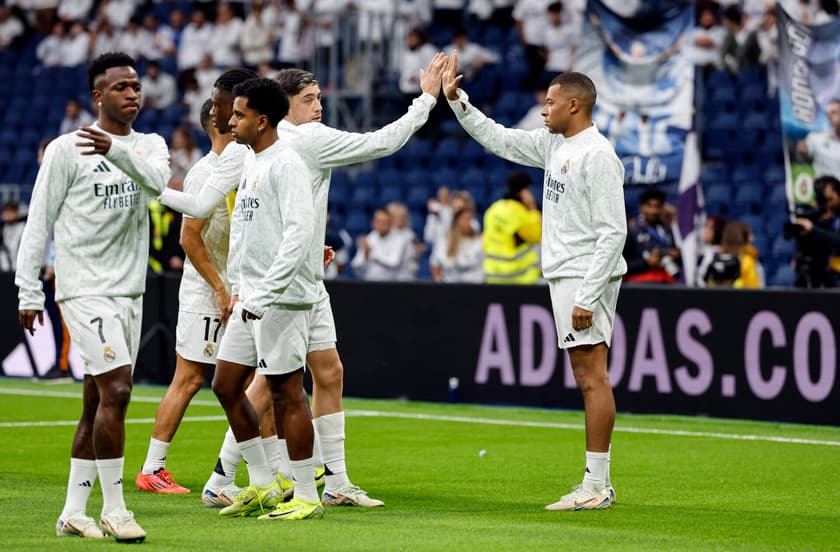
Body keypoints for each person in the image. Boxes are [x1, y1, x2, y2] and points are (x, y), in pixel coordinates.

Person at [159, 57, 445, 508]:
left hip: (300, 277)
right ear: (282, 108)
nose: (318, 108)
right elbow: (382, 142)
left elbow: (261, 215)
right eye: (309, 100)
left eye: (319, 99)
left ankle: (332, 483)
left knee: (326, 373)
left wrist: (311, 247)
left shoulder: (255, 149)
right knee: (273, 384)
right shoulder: (303, 141)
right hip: (281, 287)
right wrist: (425, 100)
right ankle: (233, 476)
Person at [443, 53, 626, 510]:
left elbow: (613, 232)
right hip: (567, 273)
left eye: (550, 103)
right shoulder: (554, 146)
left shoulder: (598, 155)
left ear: (574, 106)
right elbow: (499, 139)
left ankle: (596, 486)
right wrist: (459, 101)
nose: (543, 111)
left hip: (585, 275)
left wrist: (587, 295)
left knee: (592, 377)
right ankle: (598, 484)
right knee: (586, 376)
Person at [15, 52, 171, 542]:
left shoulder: (150, 145)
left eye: (136, 86)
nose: (132, 93)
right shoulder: (66, 150)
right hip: (83, 288)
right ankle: (116, 509)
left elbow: (158, 185)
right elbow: (38, 220)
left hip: (129, 291)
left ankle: (72, 512)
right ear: (98, 96)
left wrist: (116, 151)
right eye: (121, 87)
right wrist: (28, 289)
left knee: (96, 402)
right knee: (119, 391)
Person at [212, 76, 324, 521]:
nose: (230, 121)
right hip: (251, 298)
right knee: (225, 385)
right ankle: (262, 482)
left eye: (239, 114)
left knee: (287, 394)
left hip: (282, 300)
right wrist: (240, 288)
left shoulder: (287, 164)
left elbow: (300, 235)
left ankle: (306, 495)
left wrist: (265, 294)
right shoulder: (251, 160)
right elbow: (246, 233)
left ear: (261, 121)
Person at [136, 100, 234, 493]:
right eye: (233, 113)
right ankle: (152, 468)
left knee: (257, 381)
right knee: (190, 379)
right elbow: (188, 238)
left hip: (237, 290)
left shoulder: (240, 166)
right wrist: (219, 288)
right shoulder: (204, 174)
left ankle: (262, 472)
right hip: (207, 293)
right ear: (219, 122)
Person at [482, 170, 542, 284]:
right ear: (524, 191)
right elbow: (537, 236)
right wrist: (533, 208)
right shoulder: (519, 212)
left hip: (492, 275)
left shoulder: (493, 209)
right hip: (518, 277)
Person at [623, 188, 681, 284]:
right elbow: (622, 265)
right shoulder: (631, 230)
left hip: (666, 281)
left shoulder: (667, 229)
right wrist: (646, 262)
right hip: (639, 283)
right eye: (650, 206)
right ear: (641, 207)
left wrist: (675, 255)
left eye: (658, 206)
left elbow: (678, 259)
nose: (654, 211)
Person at [351, 208, 414, 281]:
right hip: (370, 282)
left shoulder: (401, 239)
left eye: (385, 222)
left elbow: (394, 264)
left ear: (391, 223)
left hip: (393, 283)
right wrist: (366, 254)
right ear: (373, 223)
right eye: (379, 221)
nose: (382, 224)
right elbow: (356, 267)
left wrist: (371, 253)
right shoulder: (369, 239)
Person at [430, 205, 484, 283]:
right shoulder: (444, 241)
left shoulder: (480, 241)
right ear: (457, 221)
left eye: (471, 219)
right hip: (450, 284)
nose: (469, 222)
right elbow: (435, 263)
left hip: (475, 284)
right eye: (465, 218)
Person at [797, 99, 840, 181]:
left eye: (835, 112)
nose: (831, 117)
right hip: (823, 187)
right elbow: (802, 160)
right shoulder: (815, 139)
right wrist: (803, 153)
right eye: (829, 114)